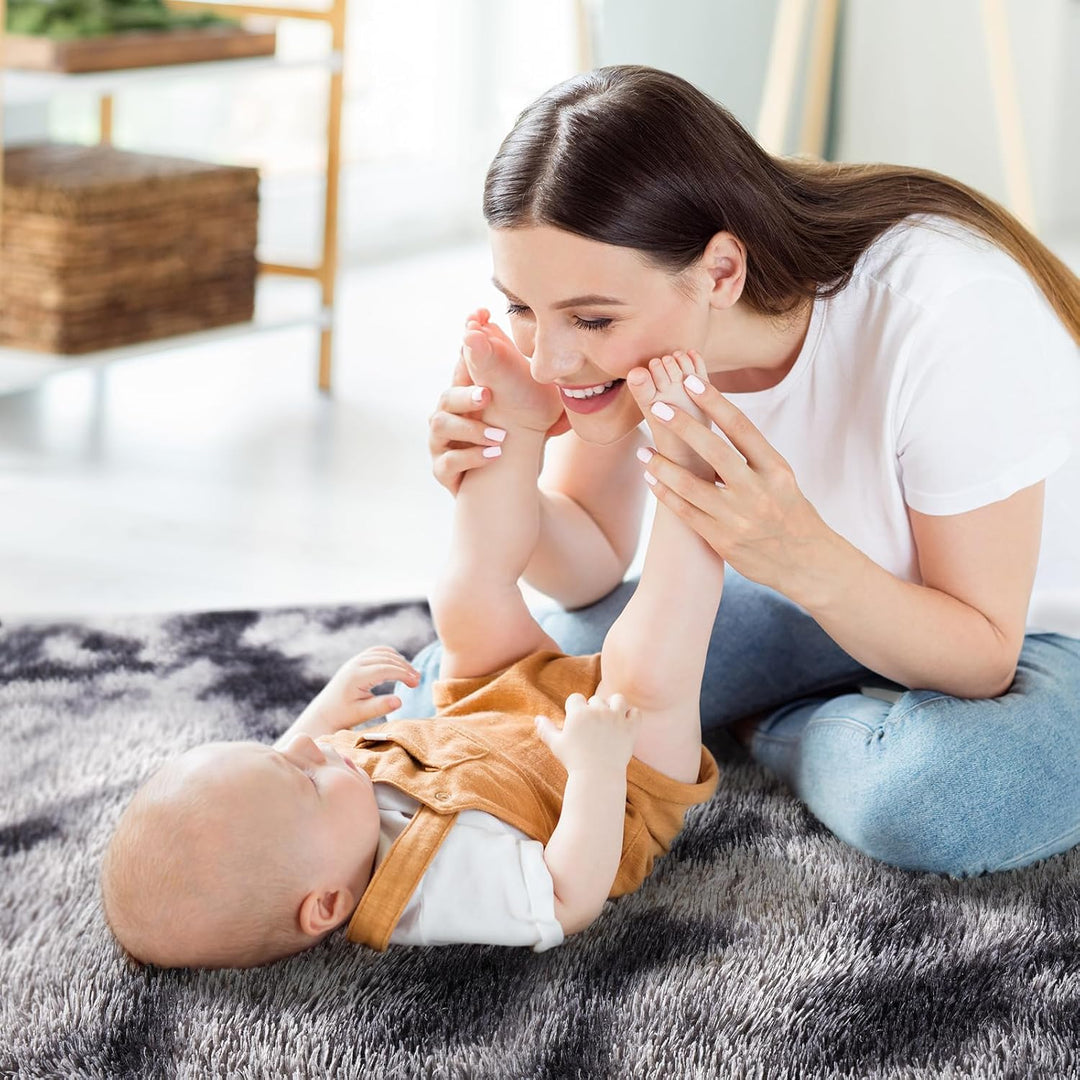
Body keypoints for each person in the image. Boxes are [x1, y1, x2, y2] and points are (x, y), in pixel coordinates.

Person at [414, 64, 1080, 879]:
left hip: (1033, 633)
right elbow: (586, 560)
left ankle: (777, 724)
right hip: (809, 592)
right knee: (499, 688)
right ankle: (783, 700)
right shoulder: (640, 335)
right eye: (521, 306)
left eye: (590, 318)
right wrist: (506, 459)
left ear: (722, 272)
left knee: (933, 799)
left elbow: (982, 657)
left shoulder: (945, 313)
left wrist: (797, 556)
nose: (550, 358)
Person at [100, 349, 720, 968]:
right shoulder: (430, 893)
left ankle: (519, 422)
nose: (309, 747)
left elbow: (290, 757)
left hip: (482, 712)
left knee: (463, 602)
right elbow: (568, 896)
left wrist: (329, 705)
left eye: (278, 752)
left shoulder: (308, 823)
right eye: (304, 777)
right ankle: (691, 465)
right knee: (646, 664)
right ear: (326, 906)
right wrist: (598, 772)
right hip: (613, 780)